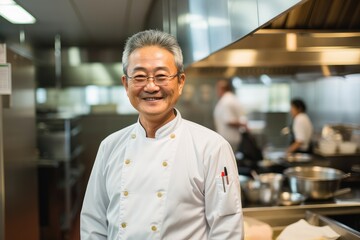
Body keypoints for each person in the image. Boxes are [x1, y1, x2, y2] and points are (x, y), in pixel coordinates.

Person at [80, 30, 243, 240]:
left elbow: (227, 228)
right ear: (125, 84)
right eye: (139, 76)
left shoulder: (212, 148)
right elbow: (93, 223)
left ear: (181, 82)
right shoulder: (109, 147)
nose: (150, 86)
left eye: (161, 76)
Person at [213, 79, 247, 152]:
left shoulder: (227, 101)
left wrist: (244, 125)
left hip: (229, 139)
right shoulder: (230, 99)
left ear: (221, 89)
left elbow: (229, 121)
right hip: (229, 139)